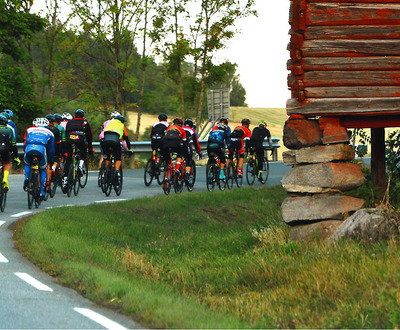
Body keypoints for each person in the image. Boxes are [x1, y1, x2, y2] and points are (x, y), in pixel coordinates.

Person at [23, 118, 55, 199]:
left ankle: (27, 178)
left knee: (27, 164)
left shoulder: (29, 129)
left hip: (29, 147)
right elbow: (51, 150)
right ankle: (41, 192)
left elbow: (25, 143)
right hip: (41, 149)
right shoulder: (50, 133)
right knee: (43, 169)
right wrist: (51, 160)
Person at [64, 109, 94, 183]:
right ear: (83, 116)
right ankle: (80, 165)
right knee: (83, 149)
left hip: (69, 139)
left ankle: (65, 180)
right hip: (80, 139)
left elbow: (66, 132)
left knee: (69, 159)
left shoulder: (69, 122)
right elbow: (89, 136)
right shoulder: (85, 123)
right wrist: (90, 148)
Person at [101, 114, 132, 180]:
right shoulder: (122, 125)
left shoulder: (109, 123)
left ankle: (107, 171)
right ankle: (116, 172)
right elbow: (126, 138)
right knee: (118, 158)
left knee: (107, 157)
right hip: (115, 142)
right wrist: (129, 149)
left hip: (105, 141)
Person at [0, 114, 20, 190]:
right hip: (5, 149)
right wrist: (16, 156)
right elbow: (13, 144)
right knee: (7, 162)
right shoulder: (9, 129)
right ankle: (5, 178)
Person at [44, 114, 62, 192]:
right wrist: (60, 153)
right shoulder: (56, 129)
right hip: (53, 148)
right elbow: (58, 142)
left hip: (43, 148)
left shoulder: (43, 129)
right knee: (50, 163)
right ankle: (54, 168)